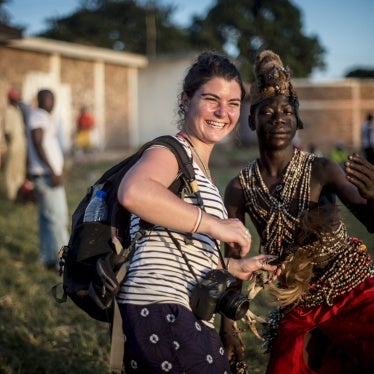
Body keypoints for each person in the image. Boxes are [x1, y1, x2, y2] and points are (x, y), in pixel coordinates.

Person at [115, 52, 281, 373]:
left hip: (178, 314)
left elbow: (168, 242)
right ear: (186, 100)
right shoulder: (169, 151)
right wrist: (216, 226)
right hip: (161, 312)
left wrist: (233, 265)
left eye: (233, 103)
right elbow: (134, 191)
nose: (223, 112)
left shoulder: (198, 169)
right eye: (211, 99)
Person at [223, 50, 374, 373]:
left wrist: (373, 197)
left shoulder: (322, 169)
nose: (279, 118)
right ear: (252, 119)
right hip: (298, 300)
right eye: (267, 112)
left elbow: (370, 222)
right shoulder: (240, 188)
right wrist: (228, 327)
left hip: (352, 289)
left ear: (298, 120)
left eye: (287, 111)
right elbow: (233, 262)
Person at [27, 89, 69, 270]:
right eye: (47, 98)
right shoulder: (39, 116)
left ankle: (47, 258)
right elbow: (37, 142)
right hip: (46, 175)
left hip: (43, 174)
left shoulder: (43, 117)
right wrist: (52, 170)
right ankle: (67, 264)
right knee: (58, 219)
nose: (50, 102)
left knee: (46, 219)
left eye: (52, 98)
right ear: (39, 100)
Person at [1, 88, 27, 201]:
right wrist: (10, 145)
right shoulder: (8, 111)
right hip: (13, 147)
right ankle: (11, 196)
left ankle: (19, 195)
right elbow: (7, 132)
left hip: (21, 147)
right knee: (11, 172)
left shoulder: (18, 111)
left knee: (19, 171)